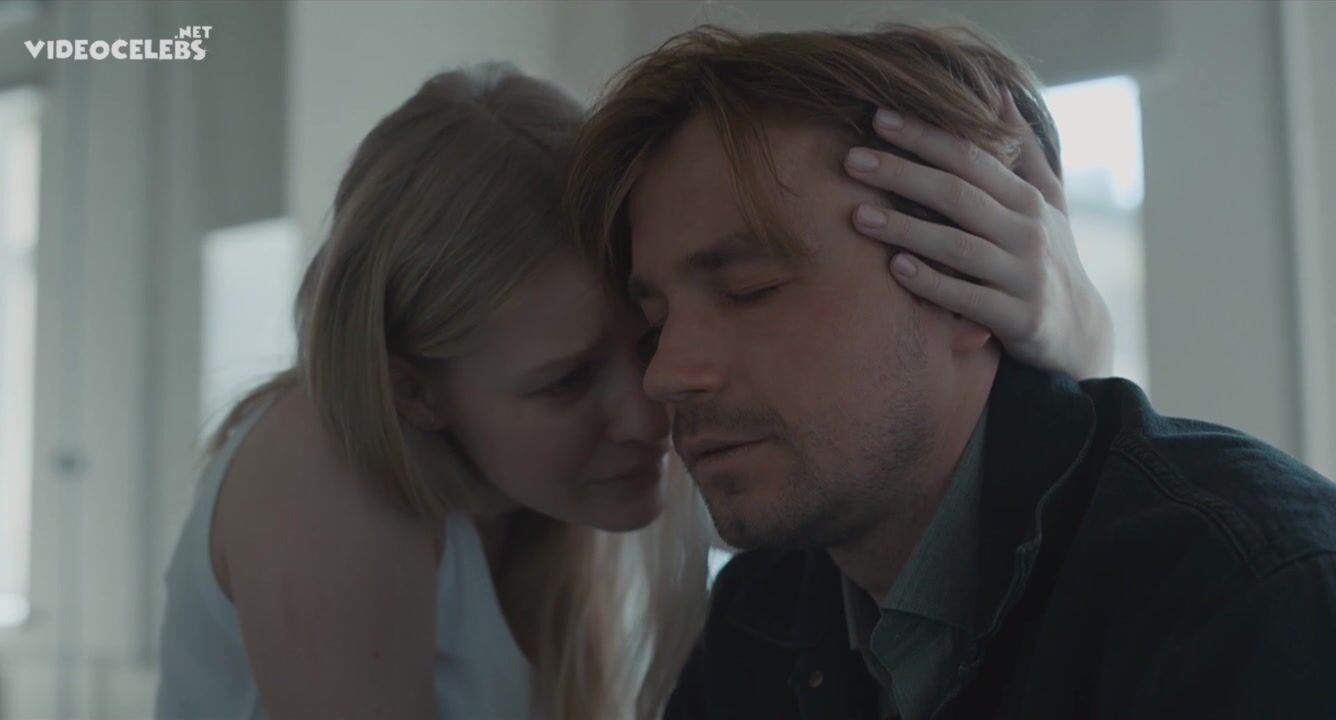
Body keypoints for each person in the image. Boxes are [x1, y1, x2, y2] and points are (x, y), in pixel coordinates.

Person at [155, 57, 1111, 720]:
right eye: (566, 380)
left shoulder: (560, 489)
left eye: (652, 334)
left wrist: (1067, 356)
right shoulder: (327, 468)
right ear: (413, 393)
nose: (655, 401)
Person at [569, 23, 1336, 720]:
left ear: (969, 281)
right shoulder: (760, 620)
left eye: (749, 290)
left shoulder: (1249, 597)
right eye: (656, 323)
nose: (666, 375)